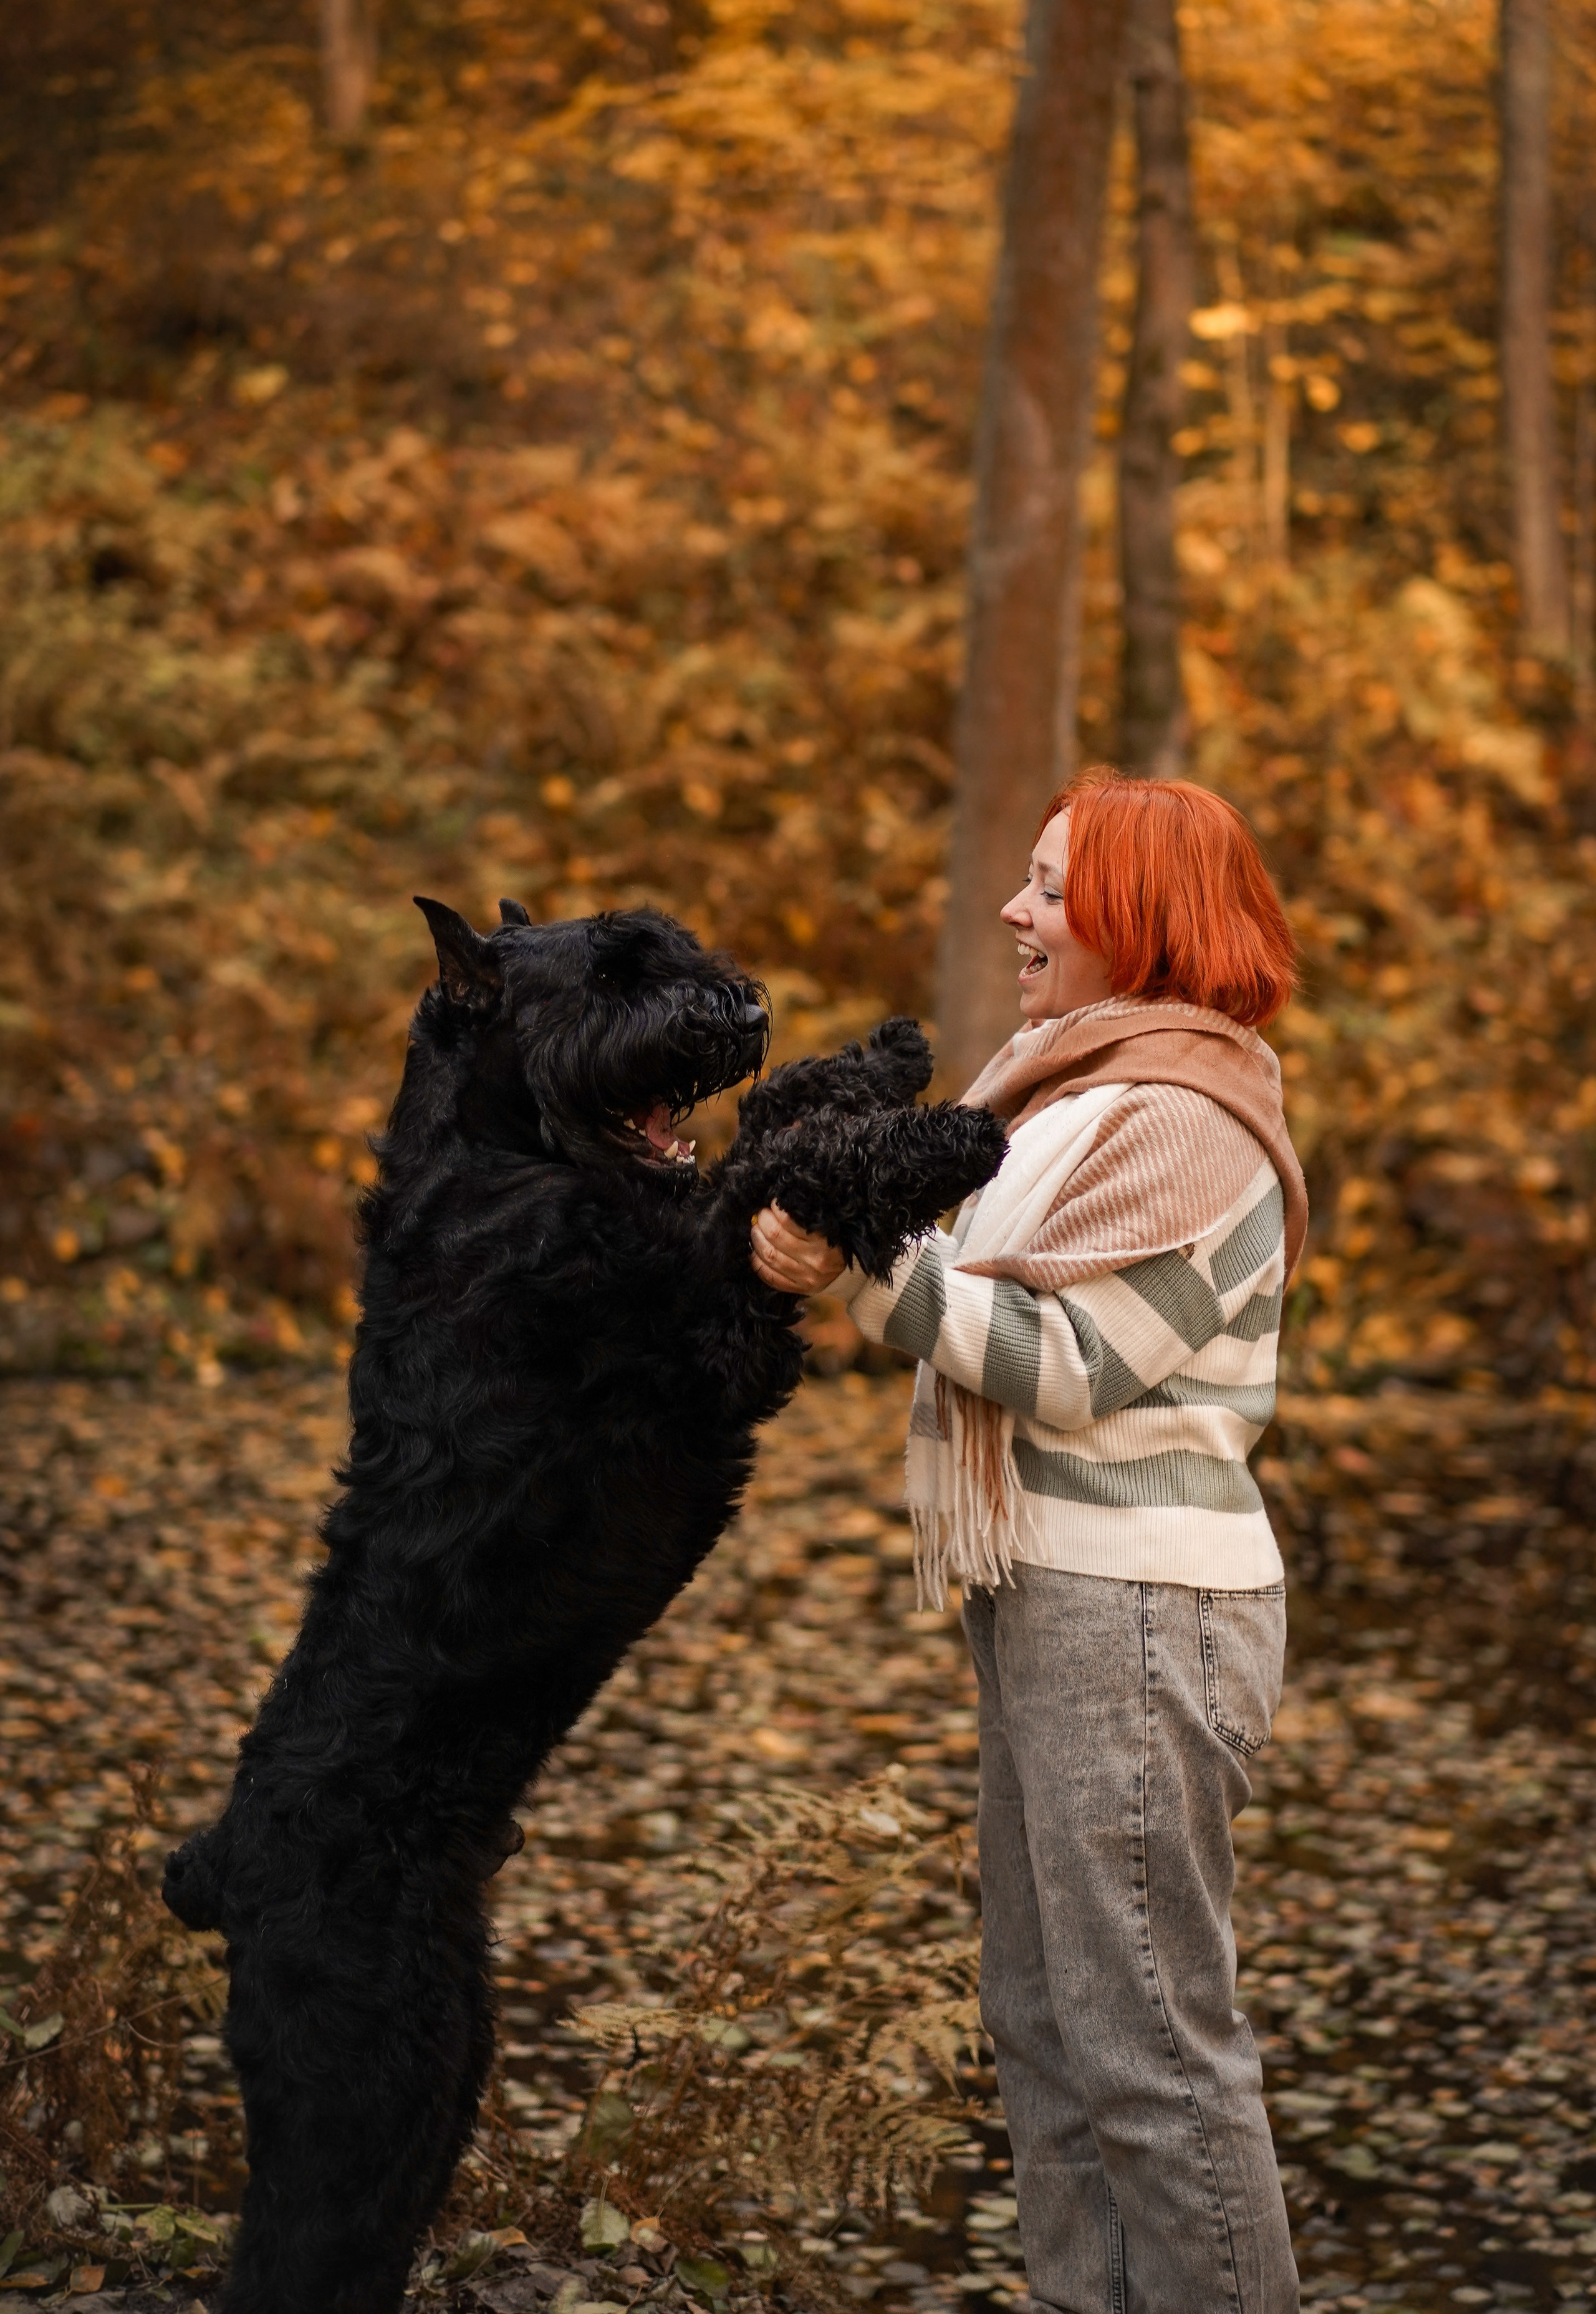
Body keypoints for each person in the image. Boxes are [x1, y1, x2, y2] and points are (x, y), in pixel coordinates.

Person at [752, 768, 1306, 2314]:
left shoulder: (1189, 1122)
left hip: (1141, 1611)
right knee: (1046, 2024)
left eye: (1053, 888)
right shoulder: (1067, 1091)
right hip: (1050, 1591)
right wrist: (839, 1247)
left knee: (1147, 2050)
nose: (1015, 908)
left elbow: (1061, 1366)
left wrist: (863, 1250)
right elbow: (965, 1304)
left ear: (1139, 918)